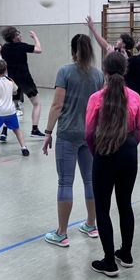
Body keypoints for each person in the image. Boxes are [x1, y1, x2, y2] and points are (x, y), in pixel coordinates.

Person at [85, 52, 140, 277]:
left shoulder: (96, 98)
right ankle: (126, 254)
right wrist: (129, 146)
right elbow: (139, 129)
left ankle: (109, 261)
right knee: (125, 204)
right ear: (125, 70)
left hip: (105, 151)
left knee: (102, 208)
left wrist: (97, 154)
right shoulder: (135, 97)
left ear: (105, 72)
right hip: (129, 151)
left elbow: (89, 132)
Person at [42, 34, 104, 247]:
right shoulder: (98, 75)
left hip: (68, 134)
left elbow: (57, 105)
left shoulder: (65, 72)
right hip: (90, 135)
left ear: (72, 51)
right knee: (90, 181)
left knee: (65, 182)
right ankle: (91, 225)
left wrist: (48, 131)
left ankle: (61, 233)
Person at [0, 26, 43, 138]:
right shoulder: (21, 46)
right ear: (13, 37)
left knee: (12, 105)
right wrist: (35, 37)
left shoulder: (4, 48)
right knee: (37, 103)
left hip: (12, 79)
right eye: (18, 34)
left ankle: (4, 131)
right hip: (24, 79)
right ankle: (35, 130)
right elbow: (39, 49)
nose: (20, 35)